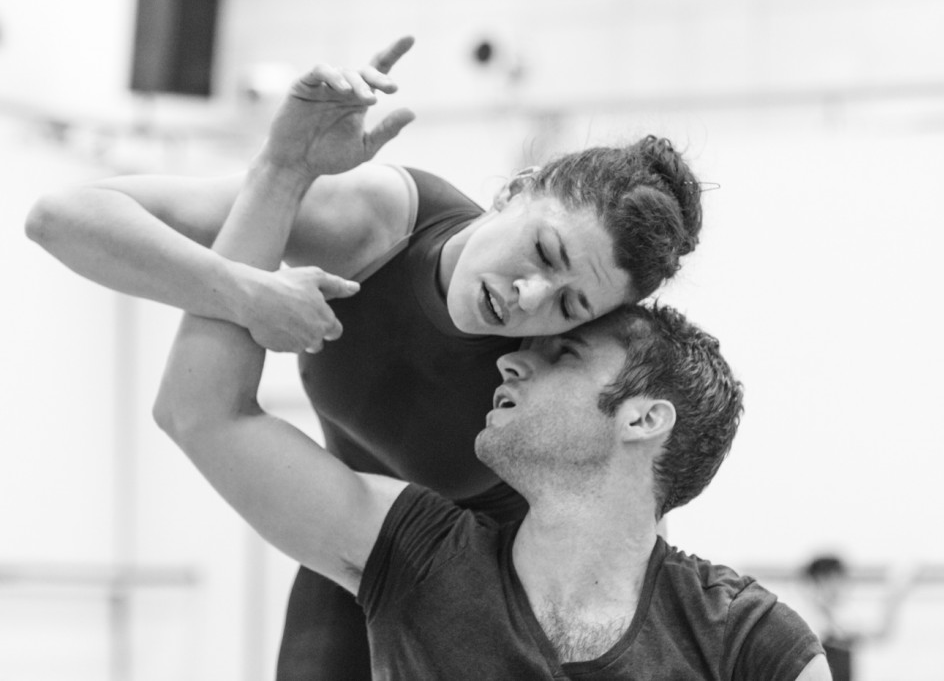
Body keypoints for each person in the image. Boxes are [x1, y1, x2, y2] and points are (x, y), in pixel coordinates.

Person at [24, 36, 706, 679]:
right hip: (343, 547)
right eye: (544, 253)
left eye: (569, 305)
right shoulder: (373, 222)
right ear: (518, 189)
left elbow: (629, 519)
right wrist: (245, 289)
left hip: (487, 596)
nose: (529, 297)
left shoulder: (564, 363)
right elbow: (63, 218)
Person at [153, 268, 829, 678]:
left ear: (644, 419)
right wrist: (282, 172)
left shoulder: (753, 641)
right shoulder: (417, 551)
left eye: (562, 354)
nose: (510, 364)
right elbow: (200, 411)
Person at [800, 554, 914, 681]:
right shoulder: (811, 621)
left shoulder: (833, 620)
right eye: (836, 580)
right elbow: (874, 633)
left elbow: (879, 633)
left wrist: (894, 597)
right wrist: (894, 595)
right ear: (821, 581)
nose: (841, 587)